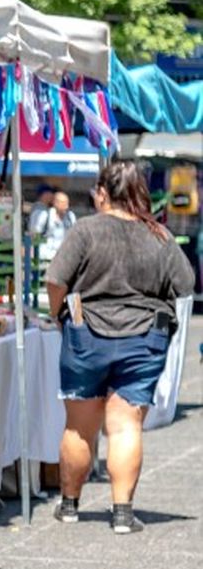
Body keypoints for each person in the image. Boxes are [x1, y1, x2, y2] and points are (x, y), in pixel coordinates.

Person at [45, 161, 193, 534]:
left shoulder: (85, 230)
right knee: (126, 427)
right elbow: (186, 282)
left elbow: (56, 280)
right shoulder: (158, 234)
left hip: (86, 335)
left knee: (79, 427)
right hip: (145, 338)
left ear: (101, 193)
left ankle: (70, 505)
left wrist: (57, 313)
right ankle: (123, 513)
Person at [33, 190, 77, 263]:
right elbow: (35, 234)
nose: (66, 206)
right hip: (46, 257)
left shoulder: (70, 216)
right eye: (63, 203)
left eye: (67, 203)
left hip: (65, 257)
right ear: (55, 203)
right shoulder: (45, 215)